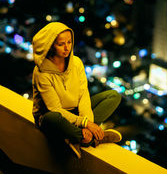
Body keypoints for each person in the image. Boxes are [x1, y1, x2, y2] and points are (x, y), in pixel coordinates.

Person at [32, 22, 122, 158]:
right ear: (50, 45)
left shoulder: (76, 63)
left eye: (69, 42)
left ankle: (81, 137)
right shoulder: (41, 72)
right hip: (51, 116)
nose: (67, 47)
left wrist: (88, 122)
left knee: (113, 96)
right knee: (52, 117)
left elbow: (83, 94)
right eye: (61, 44)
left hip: (76, 112)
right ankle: (91, 138)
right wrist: (85, 123)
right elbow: (54, 108)